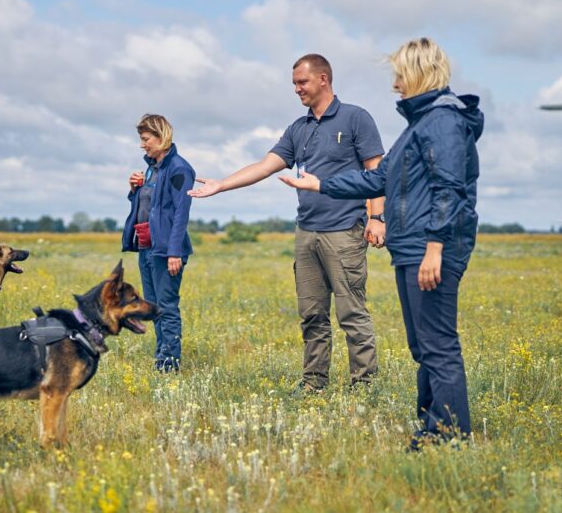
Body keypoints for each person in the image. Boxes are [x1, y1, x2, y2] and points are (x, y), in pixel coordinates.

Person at [279, 38, 482, 448]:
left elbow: (449, 189)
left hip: (428, 248)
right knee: (423, 347)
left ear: (420, 73)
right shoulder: (419, 125)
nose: (395, 83)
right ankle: (432, 429)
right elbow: (378, 178)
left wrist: (436, 248)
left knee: (438, 346)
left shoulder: (443, 121)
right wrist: (322, 184)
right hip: (411, 249)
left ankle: (449, 436)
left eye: (400, 74)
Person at [188, 54, 386, 393]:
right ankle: (313, 383)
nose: (297, 89)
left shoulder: (356, 118)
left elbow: (376, 170)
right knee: (312, 314)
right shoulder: (299, 129)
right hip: (306, 233)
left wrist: (377, 217)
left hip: (344, 231)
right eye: (294, 83)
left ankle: (364, 386)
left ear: (323, 79)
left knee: (351, 313)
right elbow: (265, 165)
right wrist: (221, 184)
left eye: (302, 82)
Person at [122, 114, 195, 372]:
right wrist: (134, 190)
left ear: (161, 136)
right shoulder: (152, 169)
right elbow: (148, 207)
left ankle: (169, 365)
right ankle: (161, 359)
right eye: (141, 140)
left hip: (167, 251)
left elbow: (181, 213)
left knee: (167, 308)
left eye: (146, 139)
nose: (142, 145)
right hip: (146, 247)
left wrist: (174, 252)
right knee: (153, 308)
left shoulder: (179, 169)